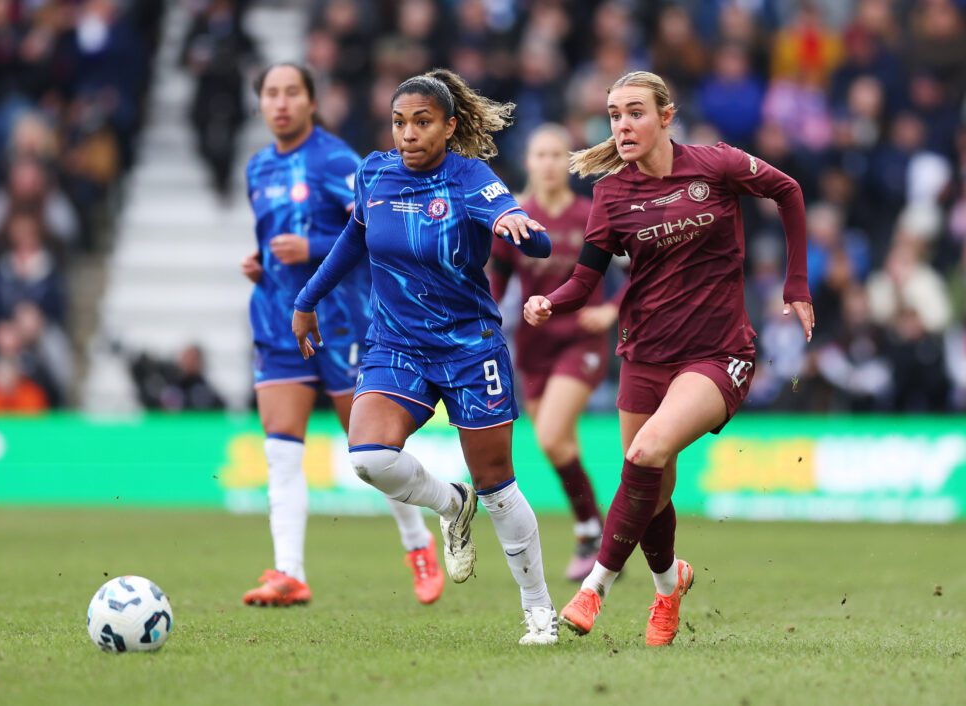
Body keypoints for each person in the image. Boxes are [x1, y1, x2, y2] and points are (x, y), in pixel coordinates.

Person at [523, 71, 813, 646]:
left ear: (665, 116)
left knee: (647, 450)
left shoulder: (716, 165)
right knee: (651, 489)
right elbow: (585, 281)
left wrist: (796, 284)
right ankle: (667, 587)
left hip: (718, 351)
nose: (622, 125)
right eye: (613, 115)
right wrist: (548, 303)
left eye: (634, 112)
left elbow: (790, 192)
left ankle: (595, 588)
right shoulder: (610, 194)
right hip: (645, 352)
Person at [293, 69, 560, 645]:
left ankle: (539, 609)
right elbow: (354, 240)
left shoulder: (469, 179)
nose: (408, 134)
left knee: (498, 485)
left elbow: (536, 240)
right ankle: (450, 503)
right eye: (399, 123)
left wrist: (518, 226)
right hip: (398, 344)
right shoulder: (375, 174)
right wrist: (307, 298)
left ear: (449, 126)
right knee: (368, 457)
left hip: (469, 346)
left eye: (421, 122)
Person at [240, 63, 444, 608]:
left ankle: (417, 541)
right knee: (281, 450)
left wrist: (311, 251)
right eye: (271, 93)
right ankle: (289, 572)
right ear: (260, 103)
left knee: (370, 449)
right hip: (277, 321)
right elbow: (273, 237)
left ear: (311, 101)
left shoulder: (336, 161)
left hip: (340, 323)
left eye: (291, 93)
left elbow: (378, 229)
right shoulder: (258, 167)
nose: (280, 103)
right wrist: (262, 263)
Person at [489, 124, 622, 581]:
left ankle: (592, 533)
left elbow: (640, 268)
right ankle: (594, 532)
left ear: (568, 162)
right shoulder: (517, 218)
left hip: (581, 338)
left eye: (554, 155)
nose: (547, 163)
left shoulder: (591, 214)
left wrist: (612, 313)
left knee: (549, 435)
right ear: (528, 163)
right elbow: (498, 280)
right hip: (534, 345)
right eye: (539, 155)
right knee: (560, 445)